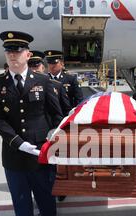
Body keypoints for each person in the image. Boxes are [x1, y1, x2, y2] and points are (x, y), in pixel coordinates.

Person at [0, 31, 63, 216]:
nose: (12, 54)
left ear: (27, 54)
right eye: (9, 50)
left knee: (45, 196)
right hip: (13, 154)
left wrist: (52, 134)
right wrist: (18, 142)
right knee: (21, 203)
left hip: (40, 152)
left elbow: (55, 114)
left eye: (17, 50)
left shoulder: (42, 81)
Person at [28, 50, 71, 216]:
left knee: (52, 174)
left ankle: (53, 200)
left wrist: (58, 130)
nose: (35, 69)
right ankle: (45, 210)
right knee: (41, 181)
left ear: (43, 67)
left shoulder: (54, 85)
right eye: (32, 65)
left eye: (37, 65)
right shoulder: (24, 86)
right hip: (33, 141)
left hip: (52, 136)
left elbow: (63, 110)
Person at [45, 50, 84, 202]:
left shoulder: (70, 79)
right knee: (52, 156)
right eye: (49, 63)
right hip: (49, 124)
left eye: (55, 63)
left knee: (65, 155)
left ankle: (65, 183)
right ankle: (57, 184)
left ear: (61, 64)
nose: (52, 66)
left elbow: (79, 99)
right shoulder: (42, 79)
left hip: (66, 121)